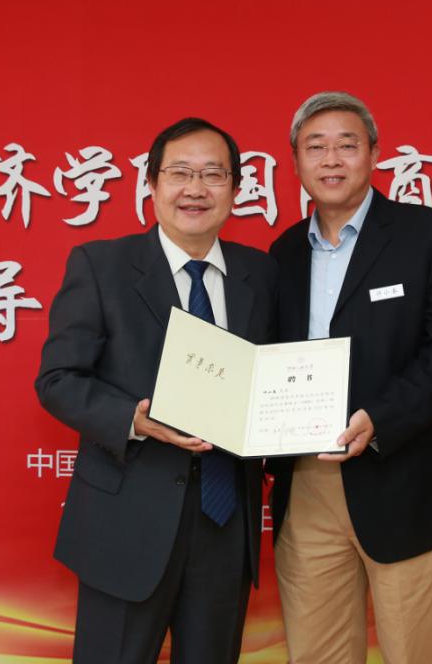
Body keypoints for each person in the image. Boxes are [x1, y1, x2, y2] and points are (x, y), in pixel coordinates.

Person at [35, 117, 276, 663]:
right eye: (180, 173)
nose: (196, 189)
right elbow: (58, 380)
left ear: (236, 189)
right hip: (126, 523)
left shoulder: (260, 275)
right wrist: (133, 419)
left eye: (213, 174)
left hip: (224, 522)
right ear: (151, 183)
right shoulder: (101, 265)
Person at [268, 91, 432, 663]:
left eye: (347, 145)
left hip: (401, 478)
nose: (331, 160)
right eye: (316, 147)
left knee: (411, 653)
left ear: (374, 154)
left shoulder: (430, 235)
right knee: (316, 654)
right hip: (305, 484)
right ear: (295, 161)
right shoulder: (282, 253)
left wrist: (380, 419)